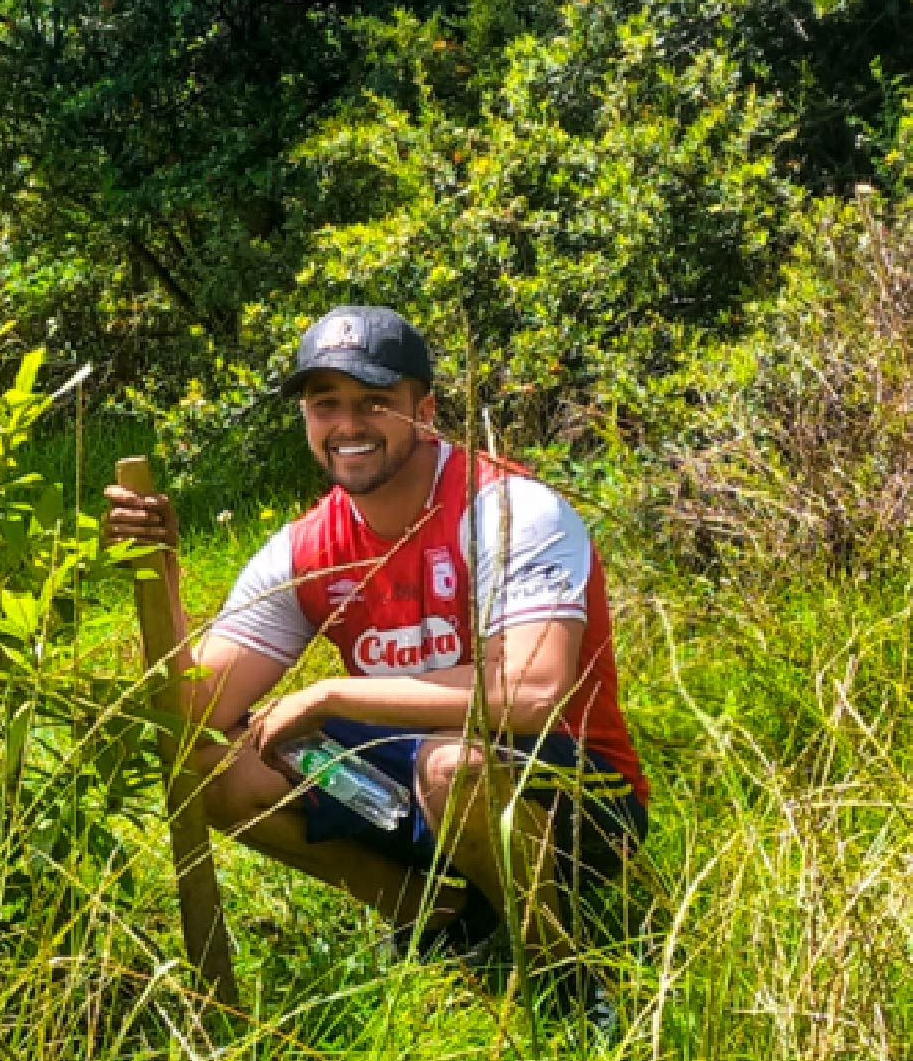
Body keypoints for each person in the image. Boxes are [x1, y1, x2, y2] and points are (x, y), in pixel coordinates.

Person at [104, 305, 650, 988]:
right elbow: (193, 712)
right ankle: (444, 923)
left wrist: (330, 695)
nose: (347, 424)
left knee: (452, 767)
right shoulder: (307, 548)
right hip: (413, 787)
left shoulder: (509, 509)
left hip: (580, 800)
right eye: (324, 403)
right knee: (209, 766)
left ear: (424, 410)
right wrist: (160, 572)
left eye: (373, 401)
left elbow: (533, 692)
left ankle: (560, 973)